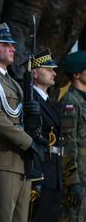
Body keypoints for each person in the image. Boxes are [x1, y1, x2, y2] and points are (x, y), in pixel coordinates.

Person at [0, 22, 44, 222]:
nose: (13, 48)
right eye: (6, 44)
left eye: (12, 44)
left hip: (20, 161)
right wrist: (29, 142)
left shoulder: (12, 82)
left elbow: (18, 116)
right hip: (1, 160)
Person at [29, 48, 62, 222]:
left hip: (54, 171)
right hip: (41, 170)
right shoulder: (31, 100)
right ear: (34, 72)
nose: (54, 73)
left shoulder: (48, 101)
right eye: (48, 69)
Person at [58, 51, 86, 222]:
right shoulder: (70, 102)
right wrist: (72, 180)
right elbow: (68, 142)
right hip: (78, 179)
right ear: (76, 74)